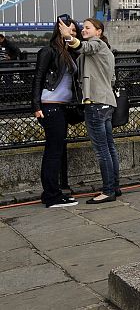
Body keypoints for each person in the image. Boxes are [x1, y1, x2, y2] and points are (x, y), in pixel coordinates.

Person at [60, 17, 119, 204]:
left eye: (88, 28)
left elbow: (83, 47)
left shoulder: (97, 45)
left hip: (95, 103)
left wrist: (68, 36)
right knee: (109, 148)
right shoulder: (105, 51)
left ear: (98, 32)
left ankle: (108, 191)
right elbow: (112, 79)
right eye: (83, 28)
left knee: (102, 151)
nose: (83, 30)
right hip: (107, 103)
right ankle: (114, 187)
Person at [33, 15, 82, 208]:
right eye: (71, 29)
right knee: (53, 153)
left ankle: (54, 193)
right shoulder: (48, 51)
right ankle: (51, 196)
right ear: (60, 30)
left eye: (76, 31)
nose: (74, 33)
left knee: (56, 151)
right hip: (50, 106)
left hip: (61, 107)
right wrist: (36, 106)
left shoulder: (70, 53)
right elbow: (38, 78)